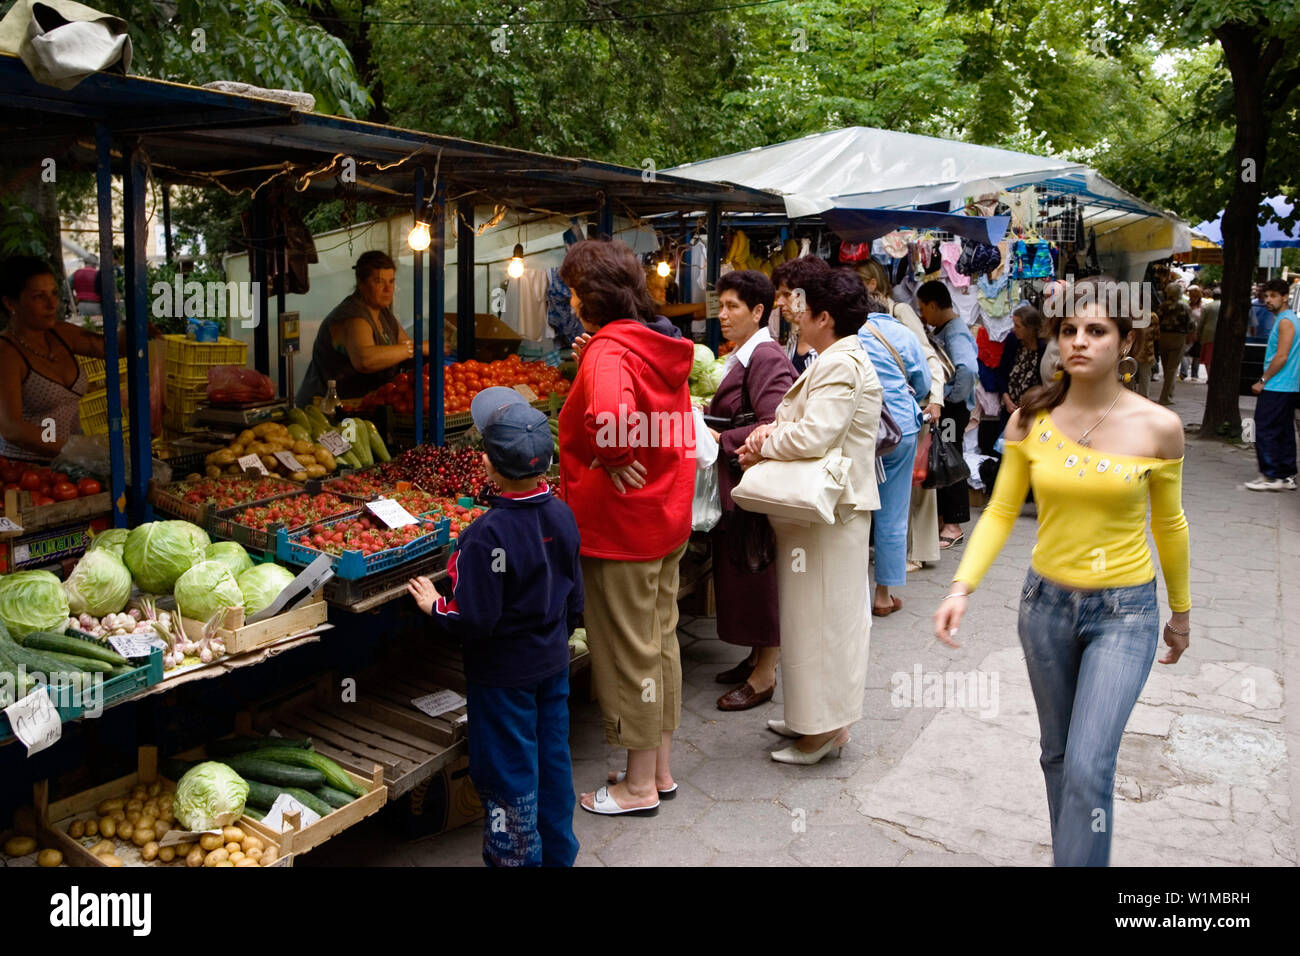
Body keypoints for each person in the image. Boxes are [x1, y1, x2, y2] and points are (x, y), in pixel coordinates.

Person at [934, 275, 1190, 866]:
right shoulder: (1030, 417)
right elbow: (999, 509)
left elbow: (1169, 526)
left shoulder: (1159, 427)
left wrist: (1181, 611)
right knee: (1057, 754)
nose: (1079, 341)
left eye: (1096, 330)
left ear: (1125, 341)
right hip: (1044, 608)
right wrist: (960, 586)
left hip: (1125, 613)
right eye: (1068, 330)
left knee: (1089, 762)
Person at [406, 387, 582, 866]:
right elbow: (575, 598)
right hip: (552, 664)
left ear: (488, 467)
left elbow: (476, 620)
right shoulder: (563, 514)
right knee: (552, 762)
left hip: (502, 679)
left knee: (508, 772)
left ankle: (516, 859)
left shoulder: (486, 536)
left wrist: (436, 607)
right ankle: (559, 855)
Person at [556, 239, 694, 815]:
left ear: (591, 298)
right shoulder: (652, 340)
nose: (567, 300)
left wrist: (612, 457)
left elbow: (610, 416)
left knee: (629, 653)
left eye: (572, 291)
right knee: (660, 643)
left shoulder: (611, 352)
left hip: (621, 527)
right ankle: (656, 771)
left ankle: (636, 788)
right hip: (665, 516)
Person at [738, 267, 883, 765]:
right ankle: (812, 718)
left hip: (832, 512)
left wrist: (763, 443)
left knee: (824, 621)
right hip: (822, 514)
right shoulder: (833, 358)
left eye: (802, 307)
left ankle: (825, 730)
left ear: (825, 317)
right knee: (808, 619)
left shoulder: (841, 363)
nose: (794, 314)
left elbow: (814, 435)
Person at [706, 270, 797, 711]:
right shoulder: (745, 354)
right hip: (740, 481)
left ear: (758, 311)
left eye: (732, 307)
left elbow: (774, 421)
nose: (722, 315)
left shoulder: (767, 356)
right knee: (746, 567)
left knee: (760, 572)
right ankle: (755, 656)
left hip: (754, 483)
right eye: (720, 305)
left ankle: (765, 675)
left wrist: (718, 438)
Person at [854, 259, 947, 571]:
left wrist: (933, 398)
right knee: (898, 495)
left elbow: (926, 356)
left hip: (905, 410)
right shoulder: (857, 320)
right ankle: (889, 574)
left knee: (913, 489)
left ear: (869, 283)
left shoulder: (899, 312)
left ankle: (914, 553)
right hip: (901, 413)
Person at [0, 256, 114, 462]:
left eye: (53, 293)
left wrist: (142, 328)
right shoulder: (6, 353)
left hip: (68, 465)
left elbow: (111, 347)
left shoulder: (61, 333)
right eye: (38, 296)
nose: (52, 303)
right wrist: (72, 449)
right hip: (26, 471)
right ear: (10, 303)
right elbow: (11, 428)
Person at [859, 290, 930, 616]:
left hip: (858, 429)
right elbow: (924, 383)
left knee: (851, 509)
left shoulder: (850, 333)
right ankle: (883, 595)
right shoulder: (904, 333)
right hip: (899, 430)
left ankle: (848, 590)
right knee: (892, 512)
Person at [296, 250, 428, 405]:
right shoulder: (353, 317)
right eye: (379, 281)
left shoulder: (383, 314)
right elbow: (365, 360)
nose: (388, 289)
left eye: (391, 281)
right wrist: (416, 348)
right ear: (361, 283)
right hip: (330, 409)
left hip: (366, 405)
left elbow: (404, 349)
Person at [917, 279, 978, 550]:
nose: (922, 315)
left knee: (949, 457)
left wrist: (951, 398)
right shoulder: (949, 328)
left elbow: (968, 369)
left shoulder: (954, 331)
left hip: (952, 410)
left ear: (932, 305)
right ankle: (946, 520)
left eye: (923, 308)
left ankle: (953, 524)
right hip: (949, 408)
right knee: (945, 455)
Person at [1245, 278, 1298, 492]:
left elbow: (1282, 356)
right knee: (1284, 430)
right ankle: (1286, 475)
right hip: (1289, 385)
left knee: (1264, 428)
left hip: (1278, 385)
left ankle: (1270, 475)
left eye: (1273, 296)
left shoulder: (1285, 321)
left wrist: (1262, 380)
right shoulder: (1290, 319)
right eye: (1266, 296)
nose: (1268, 300)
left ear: (1285, 297)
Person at [772, 256, 832, 375]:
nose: (779, 303)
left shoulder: (830, 350)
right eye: (779, 295)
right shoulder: (794, 340)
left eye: (787, 294)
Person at [1155, 281, 1190, 406]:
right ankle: (1165, 397)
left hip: (1163, 338)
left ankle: (1168, 393)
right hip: (1178, 338)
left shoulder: (1162, 306)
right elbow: (1191, 324)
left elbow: (1157, 321)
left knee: (1166, 367)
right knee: (1172, 369)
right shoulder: (1184, 307)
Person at [1193, 288, 1218, 380]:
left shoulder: (1208, 307)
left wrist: (1198, 333)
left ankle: (1210, 376)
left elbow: (1202, 322)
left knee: (1208, 358)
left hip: (1209, 334)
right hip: (1221, 336)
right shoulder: (1225, 306)